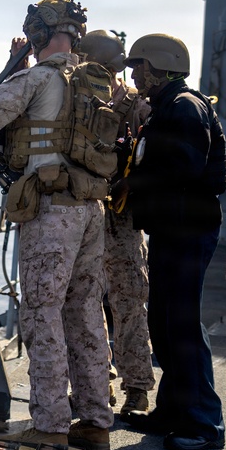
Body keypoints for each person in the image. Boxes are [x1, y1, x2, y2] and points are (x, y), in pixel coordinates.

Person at [0, 0, 114, 450]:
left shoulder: (37, 78)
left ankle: (50, 424)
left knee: (42, 314)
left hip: (53, 213)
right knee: (85, 312)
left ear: (39, 35)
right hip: (90, 208)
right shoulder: (94, 82)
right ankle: (95, 422)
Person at [121, 33, 226, 450]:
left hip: (189, 228)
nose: (134, 75)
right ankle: (172, 411)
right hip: (172, 228)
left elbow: (182, 168)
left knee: (182, 325)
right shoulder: (168, 106)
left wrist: (132, 180)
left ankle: (205, 425)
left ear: (156, 67)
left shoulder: (184, 106)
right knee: (164, 324)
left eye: (138, 67)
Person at [77, 29, 156, 416]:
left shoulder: (137, 106)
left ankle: (136, 387)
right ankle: (96, 385)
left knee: (128, 300)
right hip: (83, 208)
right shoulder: (74, 100)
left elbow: (152, 156)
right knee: (83, 301)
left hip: (119, 215)